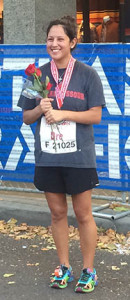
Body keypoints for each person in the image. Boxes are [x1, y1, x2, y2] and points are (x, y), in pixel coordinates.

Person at [18, 15, 105, 293]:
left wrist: (62, 113)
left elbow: (96, 116)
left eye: (60, 39)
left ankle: (89, 270)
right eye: (50, 39)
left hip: (79, 157)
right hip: (49, 156)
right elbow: (26, 118)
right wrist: (40, 108)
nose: (54, 44)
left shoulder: (88, 74)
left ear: (73, 42)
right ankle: (64, 265)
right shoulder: (36, 75)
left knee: (83, 215)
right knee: (57, 214)